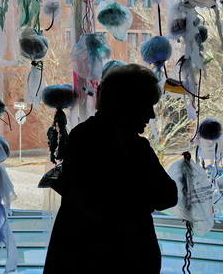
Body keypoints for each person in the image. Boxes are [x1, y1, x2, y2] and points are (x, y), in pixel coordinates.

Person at [43, 63, 178, 273]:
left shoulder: (138, 146)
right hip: (88, 261)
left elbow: (169, 196)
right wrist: (138, 200)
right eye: (147, 105)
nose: (151, 115)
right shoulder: (85, 139)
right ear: (126, 103)